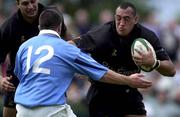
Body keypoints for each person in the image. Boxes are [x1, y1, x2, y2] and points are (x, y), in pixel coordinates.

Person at [14, 9, 152, 117]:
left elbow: (21, 76)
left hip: (22, 109)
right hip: (51, 110)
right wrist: (128, 80)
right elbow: (101, 73)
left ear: (39, 26)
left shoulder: (24, 46)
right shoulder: (65, 48)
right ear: (60, 27)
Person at [70, 2, 176, 117]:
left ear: (136, 19)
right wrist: (83, 65)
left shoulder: (147, 36)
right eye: (118, 18)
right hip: (102, 94)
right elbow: (70, 45)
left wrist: (154, 63)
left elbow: (171, 71)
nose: (121, 23)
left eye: (126, 19)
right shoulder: (103, 34)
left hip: (129, 92)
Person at [0, 0, 70, 117]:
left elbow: (66, 39)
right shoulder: (9, 26)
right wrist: (1, 80)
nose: (31, 7)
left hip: (50, 78)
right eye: (25, 3)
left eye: (33, 1)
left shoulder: (52, 15)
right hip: (18, 80)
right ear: (18, 4)